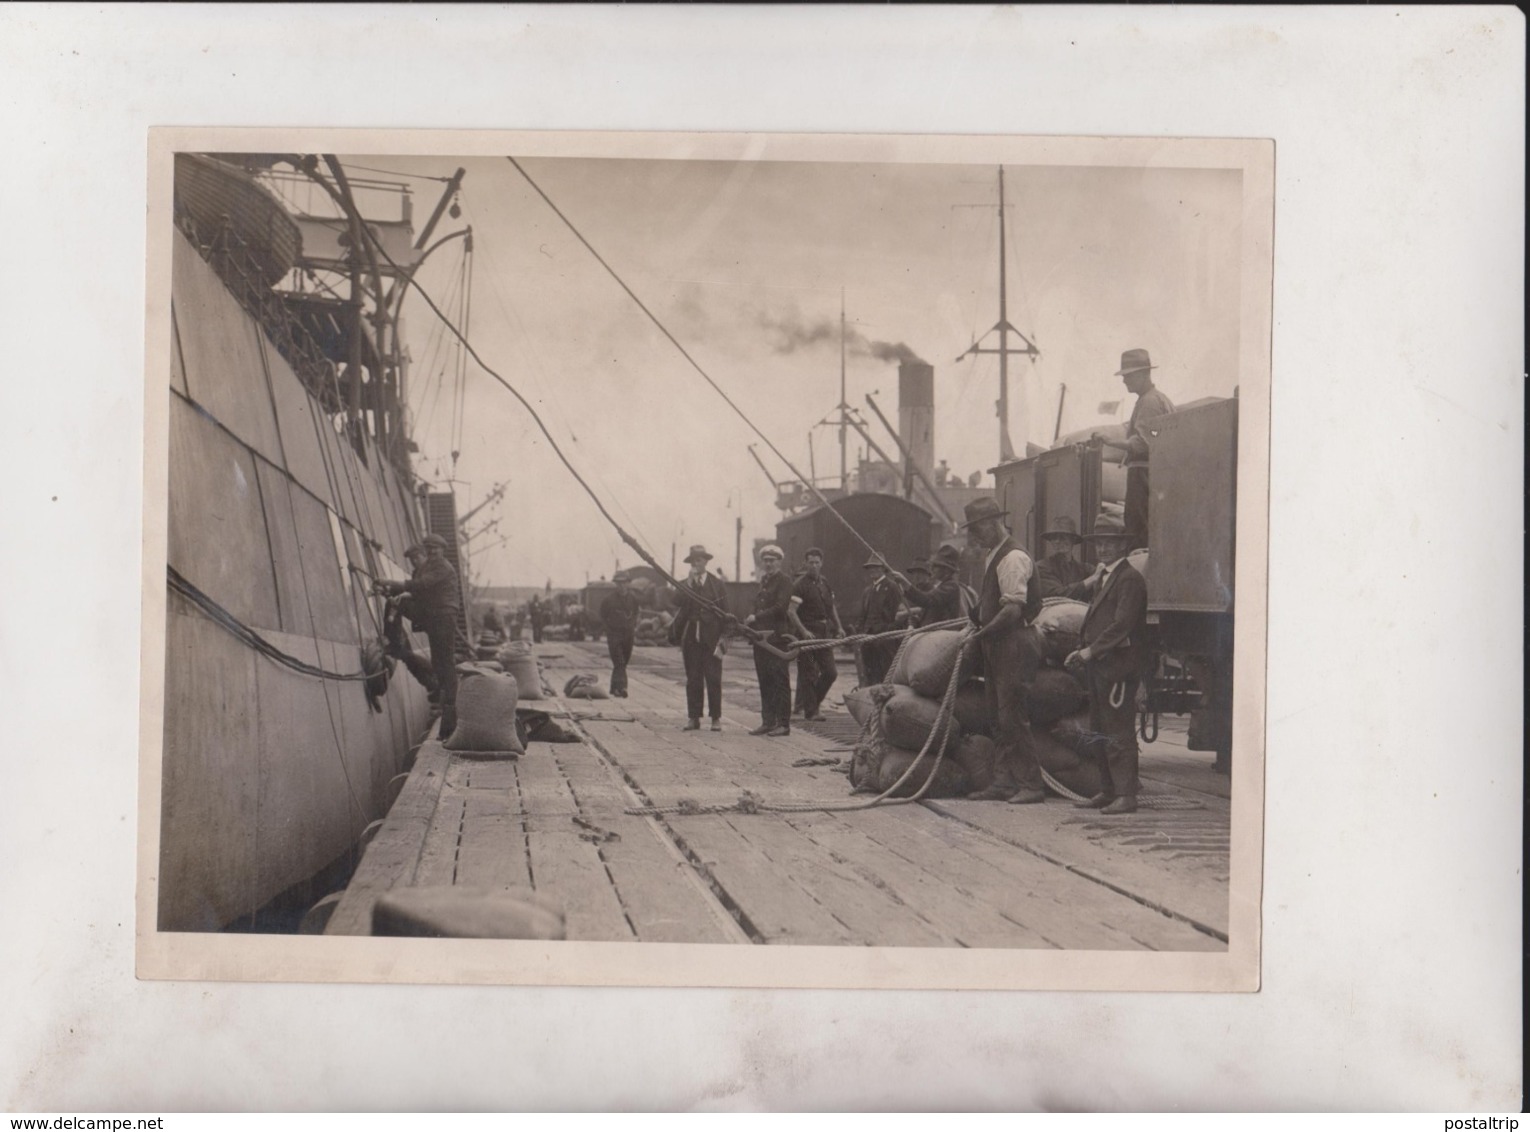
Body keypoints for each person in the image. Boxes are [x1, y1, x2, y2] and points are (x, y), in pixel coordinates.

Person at [960, 497, 1047, 805]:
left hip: (1014, 643)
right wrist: (976, 617)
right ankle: (1003, 781)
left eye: (978, 528)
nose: (974, 536)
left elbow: (1012, 610)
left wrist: (979, 634)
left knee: (1013, 717)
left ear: (994, 522)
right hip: (996, 643)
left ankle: (1031, 784)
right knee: (997, 717)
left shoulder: (1013, 558)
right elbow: (992, 603)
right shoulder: (993, 556)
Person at [1066, 514, 1149, 815]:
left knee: (1118, 730)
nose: (1103, 549)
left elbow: (1122, 625)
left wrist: (1090, 651)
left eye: (1110, 543)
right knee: (1100, 728)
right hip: (1103, 664)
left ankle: (1126, 794)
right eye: (1100, 543)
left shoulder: (1129, 579)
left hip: (1118, 666)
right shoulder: (1106, 578)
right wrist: (1083, 648)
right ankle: (1108, 789)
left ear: (1122, 547)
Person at [374, 533, 461, 739]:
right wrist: (393, 591)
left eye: (435, 550)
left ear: (441, 550)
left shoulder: (440, 566)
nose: (432, 553)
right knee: (441, 663)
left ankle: (450, 709)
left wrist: (392, 584)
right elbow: (420, 590)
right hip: (434, 615)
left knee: (445, 664)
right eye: (429, 550)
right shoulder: (429, 567)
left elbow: (422, 585)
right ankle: (394, 642)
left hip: (442, 616)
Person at [1095, 348, 1174, 550]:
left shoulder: (1149, 402)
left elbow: (1143, 443)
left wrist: (1109, 441)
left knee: (1138, 531)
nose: (1124, 381)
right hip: (1152, 474)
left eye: (1128, 376)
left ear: (1142, 374)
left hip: (1143, 474)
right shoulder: (1156, 399)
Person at [668, 545, 728, 732]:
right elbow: (676, 601)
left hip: (712, 637)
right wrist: (688, 583)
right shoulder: (685, 584)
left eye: (699, 559)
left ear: (706, 561)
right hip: (691, 637)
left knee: (713, 678)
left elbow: (726, 613)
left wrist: (724, 638)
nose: (696, 563)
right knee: (693, 678)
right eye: (693, 560)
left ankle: (715, 719)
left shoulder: (717, 584)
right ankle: (694, 718)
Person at [744, 544, 794, 737]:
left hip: (777, 638)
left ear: (779, 562)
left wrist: (757, 617)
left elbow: (781, 607)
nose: (768, 564)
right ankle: (768, 721)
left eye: (772, 560)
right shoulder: (764, 581)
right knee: (764, 679)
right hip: (761, 638)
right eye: (765, 560)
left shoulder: (784, 581)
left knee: (780, 680)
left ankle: (783, 724)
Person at [790, 547, 844, 722]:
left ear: (822, 563)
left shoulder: (824, 582)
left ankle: (811, 705)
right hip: (807, 636)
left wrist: (839, 627)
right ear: (805, 563)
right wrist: (803, 631)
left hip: (824, 633)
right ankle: (812, 711)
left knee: (830, 672)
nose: (813, 566)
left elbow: (831, 607)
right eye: (810, 562)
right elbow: (791, 612)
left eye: (817, 562)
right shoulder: (799, 585)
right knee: (809, 673)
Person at [380, 544, 440, 702]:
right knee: (407, 658)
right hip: (424, 611)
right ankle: (432, 685)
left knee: (395, 604)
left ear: (424, 556)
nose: (414, 561)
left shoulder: (430, 571)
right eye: (412, 559)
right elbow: (412, 591)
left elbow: (417, 589)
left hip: (429, 614)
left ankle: (391, 641)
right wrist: (392, 592)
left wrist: (394, 587)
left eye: (417, 558)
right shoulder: (418, 572)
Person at [895, 543, 970, 625]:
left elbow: (928, 600)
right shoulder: (941, 586)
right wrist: (916, 621)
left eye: (936, 566)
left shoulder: (951, 586)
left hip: (944, 633)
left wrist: (905, 583)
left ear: (947, 570)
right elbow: (928, 613)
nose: (932, 569)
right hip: (933, 632)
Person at [856, 556, 903, 686]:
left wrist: (888, 631)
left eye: (876, 567)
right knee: (870, 674)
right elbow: (862, 616)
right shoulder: (868, 591)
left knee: (885, 675)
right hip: (867, 640)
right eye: (870, 567)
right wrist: (859, 632)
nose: (873, 570)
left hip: (885, 641)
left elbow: (899, 614)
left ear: (883, 569)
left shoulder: (892, 587)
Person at [1033, 516, 1099, 600]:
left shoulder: (1086, 569)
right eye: (1054, 538)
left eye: (1062, 537)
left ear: (1073, 540)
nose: (1057, 541)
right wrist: (1091, 580)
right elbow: (1058, 595)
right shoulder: (1042, 567)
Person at [599, 571, 641, 698]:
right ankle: (622, 687)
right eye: (619, 583)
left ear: (628, 583)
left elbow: (636, 613)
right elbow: (602, 615)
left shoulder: (633, 599)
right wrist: (609, 629)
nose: (621, 586)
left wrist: (633, 625)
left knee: (623, 662)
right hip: (614, 635)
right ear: (615, 584)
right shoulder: (608, 599)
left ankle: (614, 688)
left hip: (628, 634)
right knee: (619, 661)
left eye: (624, 583)